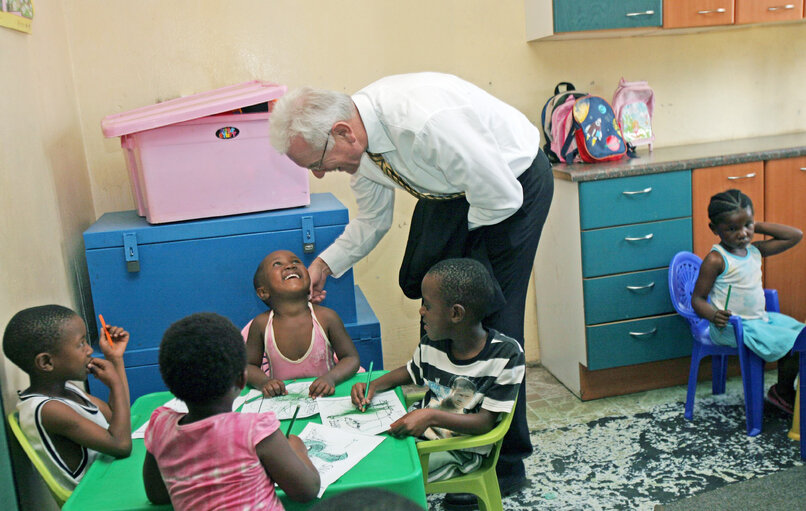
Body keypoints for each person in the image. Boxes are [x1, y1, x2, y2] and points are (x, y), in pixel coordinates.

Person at [269, 72, 552, 499]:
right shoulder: (358, 144)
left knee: (487, 318)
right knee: (434, 306)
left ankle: (502, 464)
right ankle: (442, 439)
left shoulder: (421, 123)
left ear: (343, 131)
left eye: (317, 163)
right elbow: (374, 219)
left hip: (510, 187)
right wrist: (325, 264)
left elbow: (500, 196)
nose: (322, 174)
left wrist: (467, 257)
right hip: (454, 193)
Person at [351, 259, 525, 501]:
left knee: (379, 479)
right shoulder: (432, 343)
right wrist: (372, 386)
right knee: (358, 456)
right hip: (420, 436)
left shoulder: (506, 355)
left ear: (456, 313)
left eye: (427, 305)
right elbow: (409, 372)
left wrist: (430, 416)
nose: (421, 311)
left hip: (460, 450)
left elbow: (486, 423)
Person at [142, 312, 320, 510]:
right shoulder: (255, 430)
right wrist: (299, 451)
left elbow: (157, 495)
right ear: (241, 380)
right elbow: (307, 491)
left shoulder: (160, 425)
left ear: (169, 382)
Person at [692, 189, 803, 414]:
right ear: (714, 229)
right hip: (731, 327)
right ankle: (782, 392)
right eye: (733, 228)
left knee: (802, 337)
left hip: (758, 320)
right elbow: (697, 299)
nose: (742, 234)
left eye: (747, 226)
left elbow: (795, 235)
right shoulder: (716, 260)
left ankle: (782, 390)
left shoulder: (753, 250)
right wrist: (713, 315)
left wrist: (753, 224)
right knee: (793, 344)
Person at [2, 305, 132, 490]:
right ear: (46, 362)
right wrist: (115, 384)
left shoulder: (67, 390)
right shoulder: (48, 409)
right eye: (80, 344)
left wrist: (115, 359)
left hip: (110, 480)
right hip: (96, 498)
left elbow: (116, 418)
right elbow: (121, 445)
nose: (89, 350)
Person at [246, 249, 361, 398]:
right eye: (277, 264)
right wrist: (264, 383)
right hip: (283, 402)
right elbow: (248, 367)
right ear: (263, 292)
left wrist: (330, 378)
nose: (290, 266)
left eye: (295, 261)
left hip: (325, 400)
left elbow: (351, 359)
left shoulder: (326, 318)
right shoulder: (261, 325)